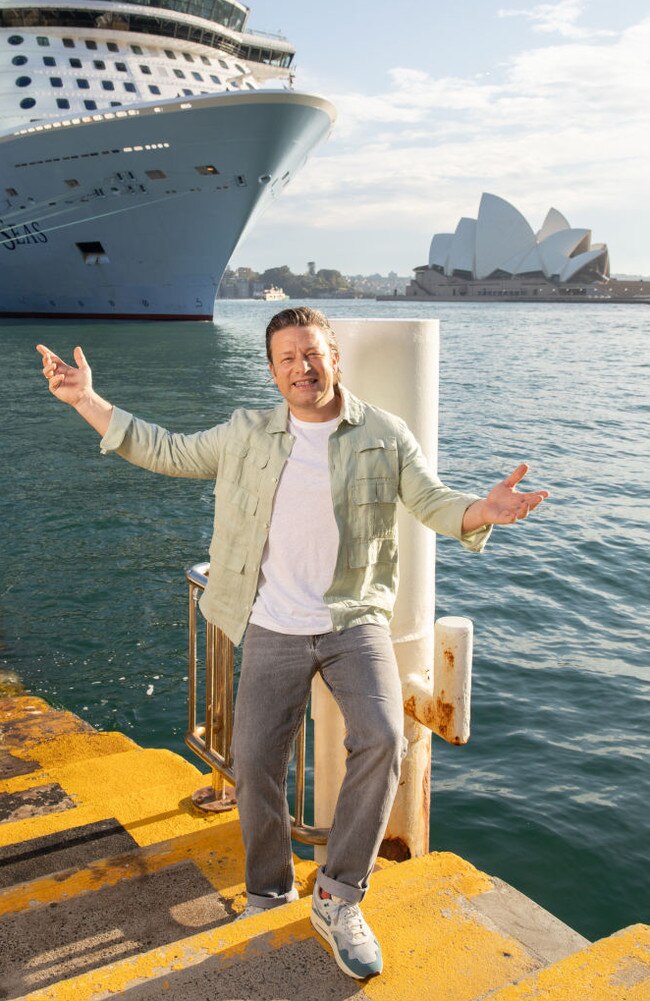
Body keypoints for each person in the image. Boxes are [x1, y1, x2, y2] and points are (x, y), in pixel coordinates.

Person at [36, 307, 548, 981]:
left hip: (352, 620)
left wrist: (485, 510)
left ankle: (338, 897)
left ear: (334, 355)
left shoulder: (384, 434)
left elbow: (432, 501)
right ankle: (269, 889)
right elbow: (163, 448)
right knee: (255, 766)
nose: (302, 367)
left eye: (312, 352)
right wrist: (86, 400)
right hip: (272, 622)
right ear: (274, 372)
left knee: (385, 738)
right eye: (286, 358)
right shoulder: (247, 434)